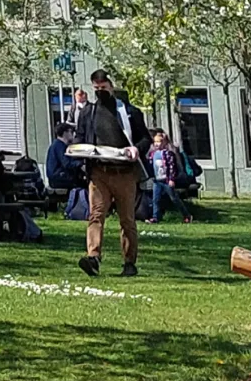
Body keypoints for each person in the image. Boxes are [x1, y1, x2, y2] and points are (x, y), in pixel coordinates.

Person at [72, 68, 151, 277]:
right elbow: (80, 138)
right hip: (99, 172)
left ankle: (129, 262)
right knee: (96, 215)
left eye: (104, 88)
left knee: (127, 219)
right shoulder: (88, 113)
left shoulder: (129, 112)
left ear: (111, 86)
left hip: (124, 172)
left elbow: (145, 139)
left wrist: (136, 149)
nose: (100, 92)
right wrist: (79, 150)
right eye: (96, 89)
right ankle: (93, 257)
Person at [143, 130, 185, 224]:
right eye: (155, 142)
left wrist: (171, 179)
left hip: (166, 180)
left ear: (165, 142)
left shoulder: (168, 154)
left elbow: (172, 167)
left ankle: (186, 215)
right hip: (157, 180)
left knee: (174, 198)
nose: (157, 144)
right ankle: (155, 217)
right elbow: (151, 166)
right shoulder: (153, 154)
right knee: (155, 200)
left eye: (159, 142)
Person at [44, 121, 88, 200]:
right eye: (71, 131)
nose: (73, 134)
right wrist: (80, 164)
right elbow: (67, 163)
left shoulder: (57, 144)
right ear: (65, 133)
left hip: (56, 178)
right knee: (85, 183)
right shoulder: (59, 146)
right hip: (58, 178)